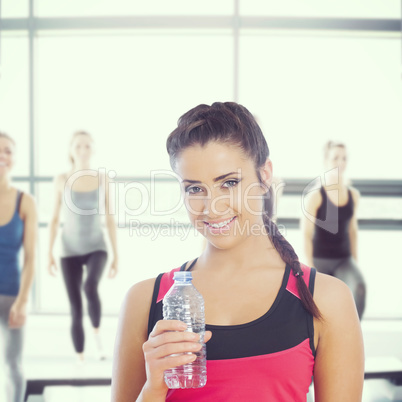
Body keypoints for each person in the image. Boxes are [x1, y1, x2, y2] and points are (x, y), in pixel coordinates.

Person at [111, 103, 364, 401]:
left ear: (264, 174)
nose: (212, 206)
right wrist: (154, 388)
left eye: (229, 183)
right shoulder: (145, 301)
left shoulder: (327, 300)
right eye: (195, 189)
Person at [47, 130, 118, 363]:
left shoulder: (102, 178)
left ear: (93, 149)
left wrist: (117, 255)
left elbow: (109, 218)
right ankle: (80, 359)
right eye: (78, 146)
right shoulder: (61, 180)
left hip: (97, 247)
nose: (83, 150)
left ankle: (98, 335)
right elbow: (55, 219)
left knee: (90, 287)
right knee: (75, 307)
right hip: (69, 251)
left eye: (87, 146)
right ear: (71, 150)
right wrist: (48, 252)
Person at [302, 140, 366, 319]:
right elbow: (306, 235)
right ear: (326, 161)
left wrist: (354, 261)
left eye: (344, 158)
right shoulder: (315, 196)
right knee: (325, 304)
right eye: (335, 158)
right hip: (320, 260)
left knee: (359, 288)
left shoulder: (353, 195)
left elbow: (352, 230)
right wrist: (310, 267)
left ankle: (353, 333)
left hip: (343, 260)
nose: (340, 162)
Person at [0, 132, 37, 402]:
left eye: (8, 151)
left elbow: (31, 257)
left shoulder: (25, 201)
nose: (2, 156)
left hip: (11, 295)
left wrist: (23, 301)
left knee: (13, 365)